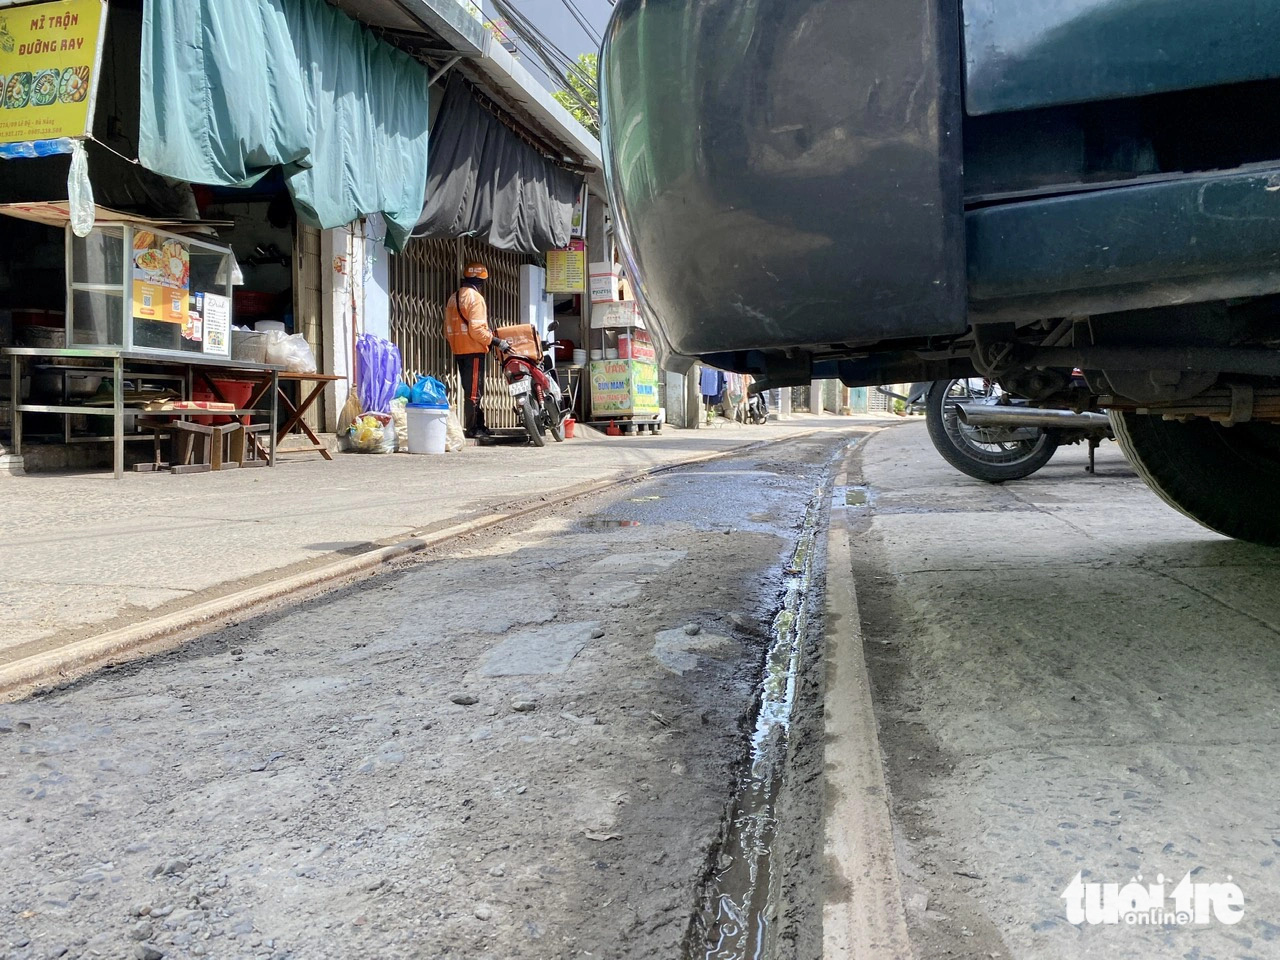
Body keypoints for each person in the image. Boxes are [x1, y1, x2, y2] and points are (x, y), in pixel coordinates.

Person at [445, 261, 509, 439]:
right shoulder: (476, 298)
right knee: (474, 392)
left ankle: (480, 424)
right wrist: (496, 341)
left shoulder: (454, 297)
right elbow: (477, 329)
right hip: (473, 350)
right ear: (481, 281)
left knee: (471, 389)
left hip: (459, 349)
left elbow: (447, 328)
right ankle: (473, 428)